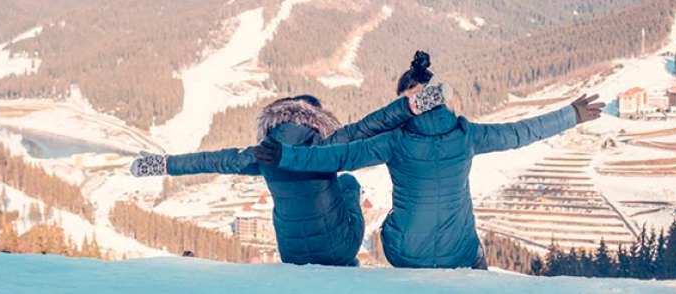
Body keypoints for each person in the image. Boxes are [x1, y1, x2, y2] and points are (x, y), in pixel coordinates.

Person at [253, 52, 604, 269]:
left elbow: (339, 154)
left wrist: (285, 155)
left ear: (407, 105)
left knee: (377, 215)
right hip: (460, 255)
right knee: (469, 245)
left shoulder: (392, 140)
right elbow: (522, 132)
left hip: (405, 254)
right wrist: (571, 114)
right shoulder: (468, 135)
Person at [129, 83, 446, 266]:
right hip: (339, 247)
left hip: (291, 253)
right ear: (318, 119)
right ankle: (349, 268)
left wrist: (161, 164)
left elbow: (210, 161)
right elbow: (372, 124)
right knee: (348, 182)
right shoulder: (327, 145)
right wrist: (420, 101)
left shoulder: (263, 154)